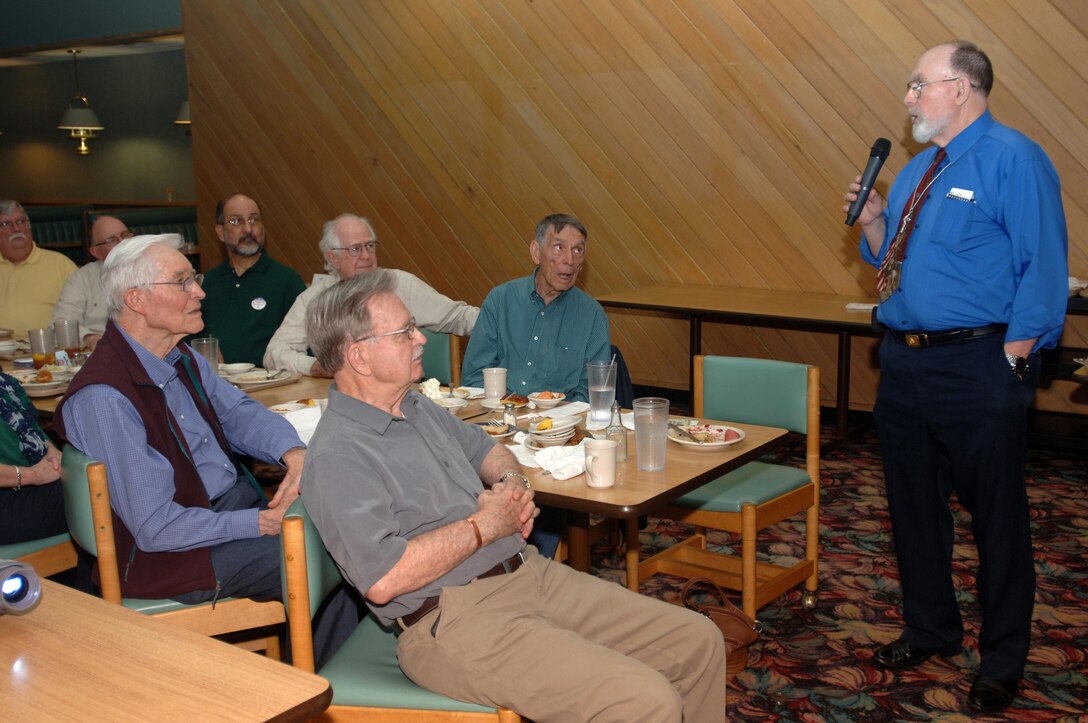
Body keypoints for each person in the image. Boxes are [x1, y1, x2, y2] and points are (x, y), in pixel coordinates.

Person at [300, 270, 725, 723]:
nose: (421, 338)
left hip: (526, 574)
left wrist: (511, 486)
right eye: (404, 332)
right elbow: (382, 578)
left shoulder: (414, 405)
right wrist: (486, 526)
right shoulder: (338, 454)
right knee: (644, 700)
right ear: (359, 356)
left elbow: (488, 449)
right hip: (450, 618)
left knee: (699, 640)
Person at [842, 41, 1068, 714]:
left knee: (997, 518)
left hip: (979, 365)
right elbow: (895, 266)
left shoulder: (1015, 159)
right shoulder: (916, 173)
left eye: (920, 85)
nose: (908, 96)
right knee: (912, 508)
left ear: (963, 89)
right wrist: (878, 222)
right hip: (905, 361)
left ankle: (1003, 658)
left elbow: (1044, 267)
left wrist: (1014, 357)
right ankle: (930, 627)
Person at [55, 234, 307, 605]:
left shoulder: (178, 355)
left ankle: (310, 660)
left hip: (224, 512)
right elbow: (156, 527)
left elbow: (237, 413)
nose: (199, 292)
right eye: (182, 282)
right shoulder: (105, 397)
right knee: (328, 553)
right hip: (174, 557)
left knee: (344, 522)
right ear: (136, 299)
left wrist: (293, 452)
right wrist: (260, 523)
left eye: (195, 278)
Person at [264, 213, 478, 376]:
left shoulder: (400, 284)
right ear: (334, 258)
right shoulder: (315, 298)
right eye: (355, 249)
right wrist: (312, 366)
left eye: (370, 246)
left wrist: (504, 319)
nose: (366, 256)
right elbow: (275, 352)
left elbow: (461, 317)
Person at [460, 213, 610, 402]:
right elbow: (474, 378)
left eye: (578, 250)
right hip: (499, 418)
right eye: (559, 247)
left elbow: (593, 393)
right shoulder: (500, 301)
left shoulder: (592, 316)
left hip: (560, 425)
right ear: (536, 252)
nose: (570, 260)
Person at [198, 195, 306, 366]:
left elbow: (306, 344)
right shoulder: (205, 284)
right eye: (237, 222)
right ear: (220, 232)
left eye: (254, 220)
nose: (248, 229)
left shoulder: (287, 281)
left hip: (271, 385)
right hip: (216, 383)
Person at [0, 371, 67, 546]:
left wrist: (52, 453)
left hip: (23, 486)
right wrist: (33, 475)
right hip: (8, 497)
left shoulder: (4, 383)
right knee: (97, 495)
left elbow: (28, 427)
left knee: (97, 485)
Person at [52, 215, 133, 351]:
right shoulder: (81, 279)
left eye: (125, 236)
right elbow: (61, 323)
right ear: (96, 252)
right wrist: (90, 338)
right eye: (111, 240)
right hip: (101, 352)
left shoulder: (155, 270)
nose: (122, 243)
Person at [0, 200, 77, 337]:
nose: (16, 229)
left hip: (49, 352)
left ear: (29, 226)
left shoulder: (61, 265)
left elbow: (87, 314)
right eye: (6, 224)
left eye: (20, 222)